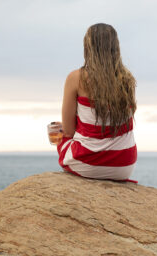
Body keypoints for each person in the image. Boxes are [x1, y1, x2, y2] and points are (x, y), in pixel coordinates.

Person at [53, 23, 137, 181]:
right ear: (115, 48)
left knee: (61, 135)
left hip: (88, 162)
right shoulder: (127, 80)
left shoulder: (76, 78)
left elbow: (69, 132)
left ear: (87, 47)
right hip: (124, 165)